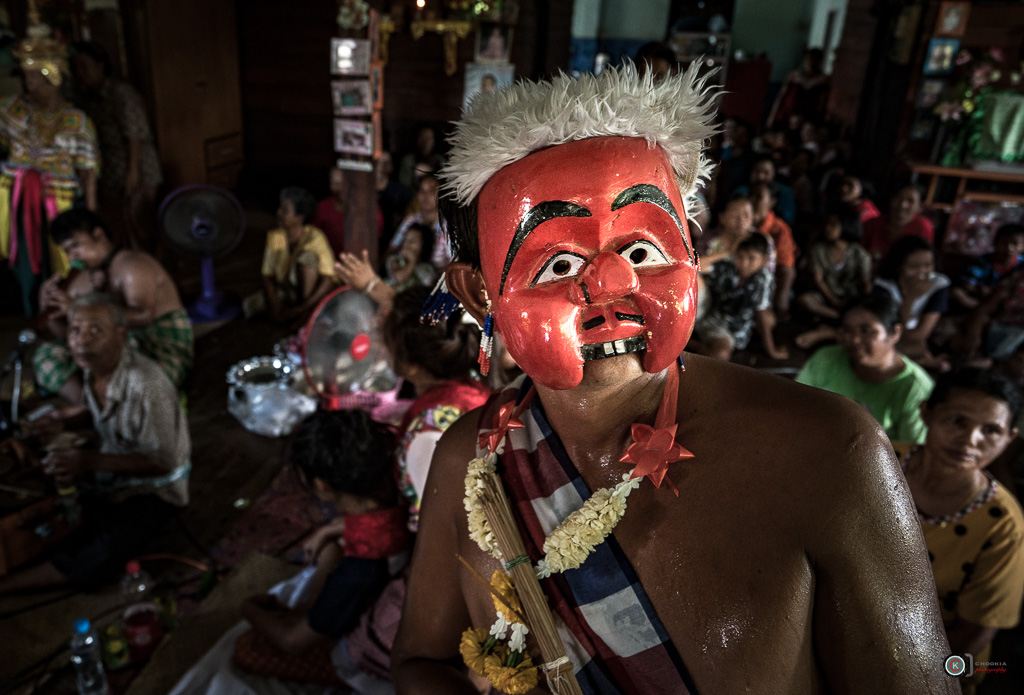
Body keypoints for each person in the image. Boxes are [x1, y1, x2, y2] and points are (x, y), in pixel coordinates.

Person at [392, 66, 956, 694]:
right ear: (478, 293)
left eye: (641, 252)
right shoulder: (469, 459)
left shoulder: (829, 452)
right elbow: (424, 663)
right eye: (558, 262)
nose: (613, 287)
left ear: (689, 246)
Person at [169, 409, 409, 694]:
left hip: (365, 653)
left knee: (246, 651)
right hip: (379, 589)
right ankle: (311, 614)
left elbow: (292, 642)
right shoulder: (401, 491)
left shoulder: (358, 569)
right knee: (330, 550)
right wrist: (329, 531)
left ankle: (317, 625)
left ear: (322, 486)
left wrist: (247, 609)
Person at [0, 293, 190, 593]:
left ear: (121, 334)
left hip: (155, 490)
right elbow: (98, 414)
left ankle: (8, 585)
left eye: (95, 331)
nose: (81, 341)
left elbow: (165, 460)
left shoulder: (147, 386)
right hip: (111, 479)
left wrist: (87, 461)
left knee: (100, 555)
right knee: (53, 514)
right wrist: (63, 422)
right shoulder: (95, 370)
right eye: (75, 330)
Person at [902, 368, 1024, 694]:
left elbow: (976, 633)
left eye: (991, 431)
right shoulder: (877, 462)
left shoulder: (1002, 524)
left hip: (938, 664)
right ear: (926, 412)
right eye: (957, 421)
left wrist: (908, 674)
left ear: (1009, 439)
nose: (970, 440)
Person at [33, 208, 193, 403]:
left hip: (155, 346)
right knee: (47, 356)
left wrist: (78, 310)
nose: (72, 256)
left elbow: (143, 317)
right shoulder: (81, 281)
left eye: (76, 245)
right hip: (114, 351)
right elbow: (67, 336)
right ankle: (90, 406)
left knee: (131, 360)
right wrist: (49, 311)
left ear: (98, 235)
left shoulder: (133, 264)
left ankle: (105, 407)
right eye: (67, 250)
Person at [0, 11, 99, 316]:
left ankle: (69, 316)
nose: (28, 83)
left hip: (61, 199)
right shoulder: (11, 110)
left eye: (34, 76)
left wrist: (91, 219)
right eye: (26, 75)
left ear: (52, 75)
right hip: (17, 198)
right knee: (26, 263)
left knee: (66, 260)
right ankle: (34, 315)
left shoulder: (77, 122)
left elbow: (88, 172)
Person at [383, 286, 490, 532]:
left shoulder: (428, 434)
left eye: (385, 341)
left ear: (410, 367)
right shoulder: (473, 381)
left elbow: (447, 526)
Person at [797, 291, 933, 445]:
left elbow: (909, 454)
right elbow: (797, 405)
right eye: (847, 330)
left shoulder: (915, 389)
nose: (854, 339)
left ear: (895, 333)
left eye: (865, 330)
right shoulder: (826, 358)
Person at [71, 41, 162, 252]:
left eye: (84, 66)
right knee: (119, 226)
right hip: (112, 171)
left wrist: (133, 172)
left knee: (139, 224)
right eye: (76, 67)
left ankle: (147, 272)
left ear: (101, 65)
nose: (80, 72)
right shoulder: (88, 99)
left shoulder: (121, 94)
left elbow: (135, 134)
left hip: (137, 169)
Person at [693, 233, 788, 361]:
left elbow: (762, 314)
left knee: (721, 354)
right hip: (709, 314)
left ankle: (687, 344)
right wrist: (728, 251)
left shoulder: (763, 278)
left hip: (729, 329)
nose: (744, 263)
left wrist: (772, 351)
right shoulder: (729, 268)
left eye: (751, 258)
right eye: (740, 257)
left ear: (764, 260)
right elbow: (694, 265)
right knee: (692, 274)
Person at [794, 208, 872, 349]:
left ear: (847, 227)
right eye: (828, 224)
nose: (828, 228)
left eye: (834, 225)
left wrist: (867, 302)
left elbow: (865, 283)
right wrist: (834, 300)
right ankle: (842, 319)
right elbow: (819, 280)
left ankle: (832, 324)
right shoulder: (819, 249)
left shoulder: (859, 254)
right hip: (827, 296)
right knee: (805, 301)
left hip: (850, 297)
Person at [260, 186, 337, 323]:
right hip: (287, 291)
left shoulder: (315, 237)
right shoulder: (274, 236)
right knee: (252, 306)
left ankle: (306, 315)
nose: (278, 212)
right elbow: (267, 275)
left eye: (285, 210)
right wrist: (274, 305)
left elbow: (327, 280)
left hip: (312, 295)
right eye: (279, 208)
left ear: (299, 217)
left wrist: (303, 308)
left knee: (307, 258)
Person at [874, 236, 950, 370]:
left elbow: (919, 335)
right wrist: (910, 298)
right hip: (892, 335)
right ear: (898, 266)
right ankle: (923, 362)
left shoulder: (939, 284)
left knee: (916, 347)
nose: (922, 272)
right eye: (913, 266)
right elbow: (891, 329)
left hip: (912, 340)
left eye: (928, 265)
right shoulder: (883, 286)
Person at [749, 181, 798, 315]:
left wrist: (781, 298)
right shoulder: (742, 222)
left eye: (759, 197)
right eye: (750, 195)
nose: (752, 200)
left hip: (769, 285)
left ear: (771, 202)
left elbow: (787, 269)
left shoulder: (780, 230)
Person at [950, 222, 1024, 312]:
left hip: (1006, 303)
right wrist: (979, 289)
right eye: (1004, 243)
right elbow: (968, 285)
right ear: (995, 243)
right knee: (957, 293)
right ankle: (984, 311)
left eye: (1015, 244)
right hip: (980, 299)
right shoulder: (983, 261)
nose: (1009, 248)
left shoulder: (1021, 265)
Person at [388, 174, 451, 270]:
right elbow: (392, 248)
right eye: (422, 191)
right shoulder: (411, 220)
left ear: (442, 194)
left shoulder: (448, 226)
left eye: (432, 191)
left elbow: (453, 261)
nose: (425, 196)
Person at [861, 185, 934, 266]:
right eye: (898, 198)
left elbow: (923, 260)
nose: (902, 205)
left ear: (920, 207)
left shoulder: (923, 227)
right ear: (891, 200)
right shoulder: (871, 224)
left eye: (910, 201)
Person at [767, 47, 830, 131]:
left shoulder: (823, 80)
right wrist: (772, 116)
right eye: (808, 59)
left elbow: (823, 103)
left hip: (808, 118)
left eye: (814, 60)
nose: (810, 63)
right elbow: (781, 96)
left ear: (819, 61)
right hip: (787, 115)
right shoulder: (794, 76)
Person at [312, 167, 347, 257]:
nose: (340, 188)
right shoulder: (323, 207)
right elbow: (314, 236)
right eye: (335, 183)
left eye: (342, 183)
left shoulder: (365, 209)